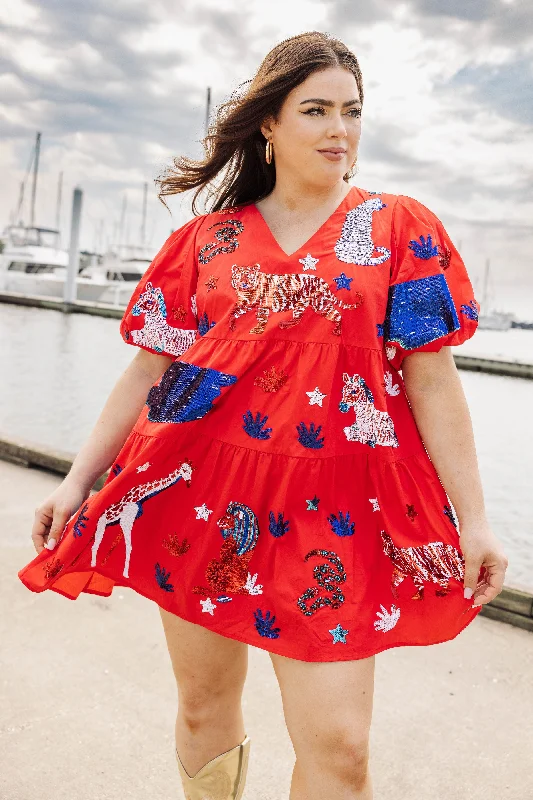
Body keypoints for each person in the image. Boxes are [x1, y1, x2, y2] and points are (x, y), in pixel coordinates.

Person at [19, 31, 509, 800]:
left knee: (340, 748)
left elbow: (433, 380)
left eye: (351, 111)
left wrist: (474, 520)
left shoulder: (399, 228)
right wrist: (78, 481)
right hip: (196, 496)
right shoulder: (202, 243)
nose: (339, 130)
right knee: (205, 702)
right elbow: (150, 369)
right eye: (315, 110)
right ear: (268, 125)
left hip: (339, 515)